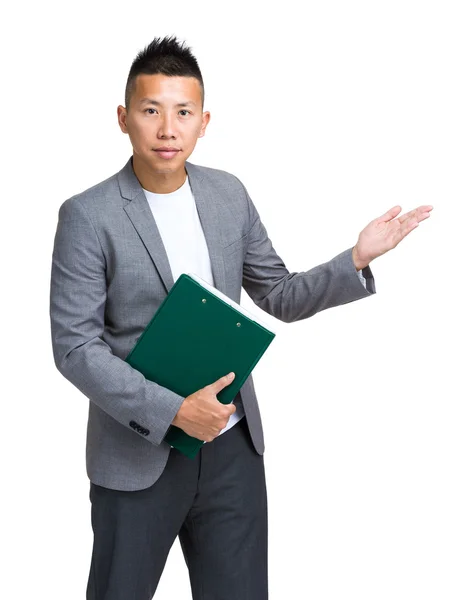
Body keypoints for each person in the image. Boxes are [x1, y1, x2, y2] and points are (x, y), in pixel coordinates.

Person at [49, 35, 433, 600]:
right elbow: (76, 348)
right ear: (123, 118)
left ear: (204, 122)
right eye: (151, 111)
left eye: (182, 113)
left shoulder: (228, 195)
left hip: (232, 450)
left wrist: (356, 259)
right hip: (138, 457)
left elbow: (278, 293)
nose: (167, 129)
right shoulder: (88, 215)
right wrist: (176, 410)